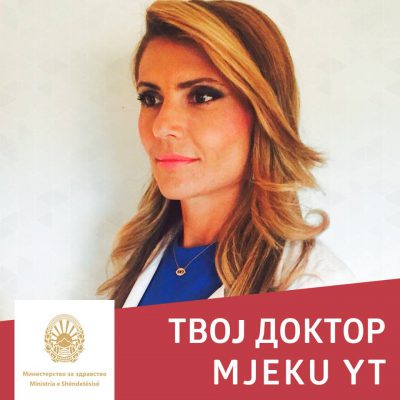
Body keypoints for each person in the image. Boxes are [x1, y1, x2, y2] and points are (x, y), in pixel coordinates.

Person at [97, 0, 354, 308]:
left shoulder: (318, 290)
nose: (162, 126)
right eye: (151, 98)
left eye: (201, 96)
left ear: (264, 113)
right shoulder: (137, 252)